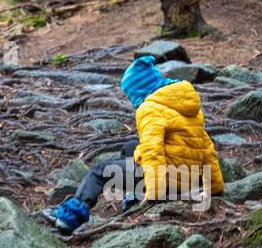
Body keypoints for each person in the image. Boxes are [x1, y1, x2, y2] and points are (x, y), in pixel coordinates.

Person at [44, 55, 226, 235]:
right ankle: (133, 196)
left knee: (99, 171)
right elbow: (207, 148)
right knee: (131, 147)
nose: (131, 100)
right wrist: (215, 187)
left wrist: (155, 192)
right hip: (191, 178)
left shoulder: (150, 108)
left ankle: (69, 218)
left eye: (131, 93)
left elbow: (153, 151)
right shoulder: (185, 104)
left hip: (169, 180)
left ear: (140, 89)